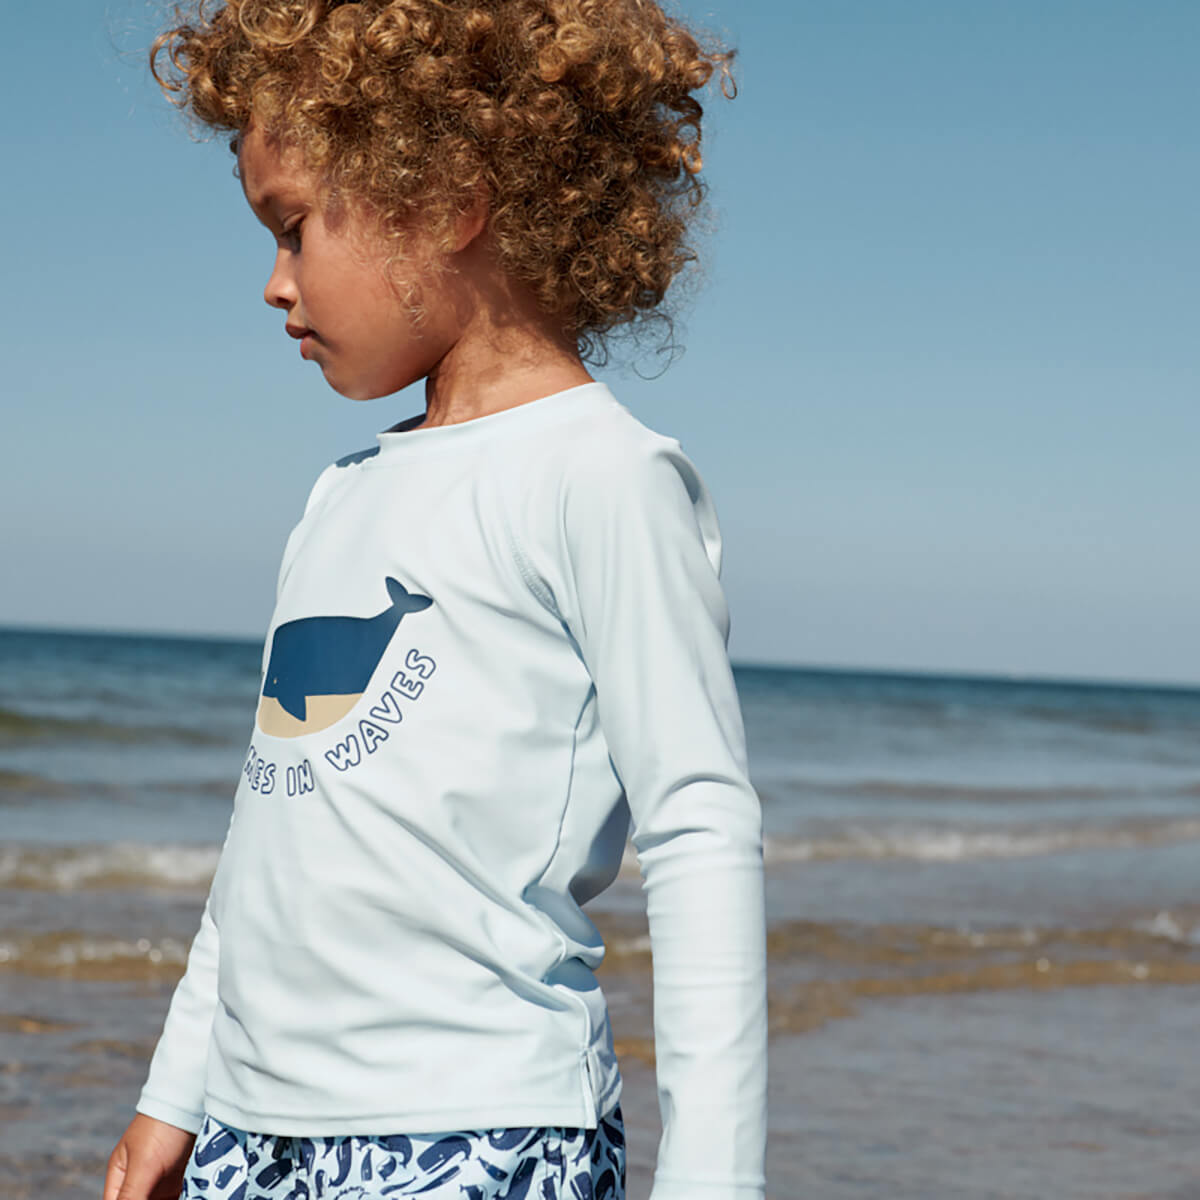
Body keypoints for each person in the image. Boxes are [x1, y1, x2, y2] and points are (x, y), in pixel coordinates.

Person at [103, 2, 766, 1198]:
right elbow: (267, 835)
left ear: (445, 199)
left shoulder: (601, 477)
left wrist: (712, 1182)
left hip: (478, 1128)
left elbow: (698, 831)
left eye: (293, 229)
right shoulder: (340, 496)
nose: (274, 284)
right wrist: (176, 1092)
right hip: (254, 1131)